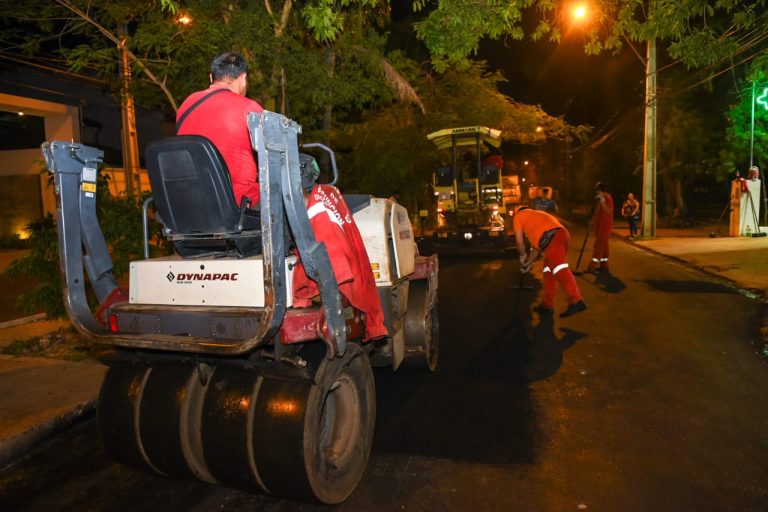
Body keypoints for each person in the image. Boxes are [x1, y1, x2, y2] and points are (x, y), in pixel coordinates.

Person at [292, 154, 389, 341]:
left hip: (342, 280)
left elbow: (334, 270)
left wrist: (304, 295)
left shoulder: (318, 215)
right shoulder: (327, 194)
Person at [176, 52, 264, 207]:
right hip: (235, 202)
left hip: (190, 200)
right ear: (243, 78)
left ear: (211, 77)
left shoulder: (185, 106)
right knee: (302, 200)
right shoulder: (250, 109)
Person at [513, 206, 587, 318]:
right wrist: (527, 263)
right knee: (548, 272)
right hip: (561, 236)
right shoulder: (535, 218)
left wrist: (522, 255)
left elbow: (519, 242)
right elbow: (536, 250)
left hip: (553, 238)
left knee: (559, 268)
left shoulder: (518, 216)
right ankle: (547, 305)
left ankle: (576, 299)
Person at [587, 181, 614, 273]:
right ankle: (604, 265)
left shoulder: (608, 199)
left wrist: (602, 202)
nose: (596, 193)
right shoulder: (601, 199)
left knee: (598, 247)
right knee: (604, 247)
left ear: (602, 191)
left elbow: (608, 211)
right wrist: (592, 223)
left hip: (604, 227)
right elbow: (597, 213)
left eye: (598, 191)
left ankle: (592, 267)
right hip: (599, 227)